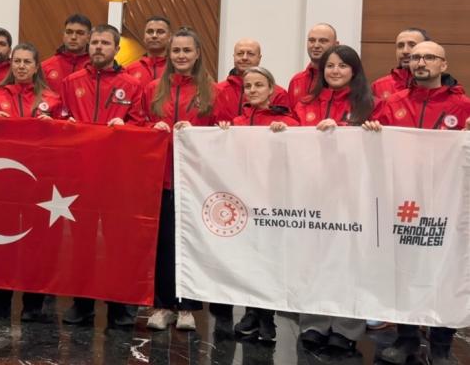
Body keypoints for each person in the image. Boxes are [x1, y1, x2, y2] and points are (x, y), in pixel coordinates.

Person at [365, 41, 470, 365]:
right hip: (404, 201)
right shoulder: (393, 102)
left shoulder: (462, 106)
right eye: (416, 58)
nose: (421, 62)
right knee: (405, 269)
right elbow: (371, 146)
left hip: (446, 203)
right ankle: (407, 338)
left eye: (429, 57)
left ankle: (441, 346)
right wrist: (372, 131)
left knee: (445, 271)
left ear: (443, 64)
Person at [59, 24, 144, 327]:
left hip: (116, 176)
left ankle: (119, 306)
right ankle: (82, 304)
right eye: (94, 42)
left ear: (116, 49)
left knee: (117, 242)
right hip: (80, 175)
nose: (98, 47)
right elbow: (61, 117)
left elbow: (140, 125)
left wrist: (125, 129)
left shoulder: (131, 85)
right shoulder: (71, 82)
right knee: (81, 242)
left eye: (105, 43)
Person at [294, 45, 375, 352]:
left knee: (349, 260)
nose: (335, 71)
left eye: (342, 65)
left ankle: (346, 328)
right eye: (330, 66)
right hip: (311, 193)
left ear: (354, 70)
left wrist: (342, 129)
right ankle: (313, 323)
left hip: (352, 195)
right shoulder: (305, 103)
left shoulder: (369, 104)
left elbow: (377, 145)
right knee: (313, 259)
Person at [0, 43, 61, 322]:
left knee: (36, 244)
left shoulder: (51, 98)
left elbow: (65, 137)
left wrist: (54, 126)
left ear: (37, 67)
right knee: (2, 241)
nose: (22, 66)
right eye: (17, 61)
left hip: (39, 181)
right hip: (3, 179)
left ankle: (33, 304)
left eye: (27, 62)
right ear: (11, 64)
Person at [216, 67, 298, 343]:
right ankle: (252, 312)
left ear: (272, 89)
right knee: (249, 258)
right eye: (248, 86)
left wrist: (285, 133)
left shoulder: (287, 120)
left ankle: (267, 318)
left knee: (269, 259)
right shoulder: (237, 122)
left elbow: (299, 153)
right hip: (244, 201)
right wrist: (222, 134)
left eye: (259, 85)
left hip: (274, 201)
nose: (252, 90)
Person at [143, 27, 215, 332]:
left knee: (191, 244)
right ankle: (162, 306)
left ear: (197, 54)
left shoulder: (212, 90)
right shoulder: (152, 89)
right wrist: (152, 128)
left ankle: (187, 308)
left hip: (195, 181)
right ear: (169, 54)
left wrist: (199, 134)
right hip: (161, 178)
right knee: (162, 244)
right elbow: (139, 124)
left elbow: (223, 129)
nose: (181, 55)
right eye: (176, 51)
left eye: (187, 50)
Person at [213, 38, 288, 121]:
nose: (244, 58)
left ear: (259, 58)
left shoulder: (278, 94)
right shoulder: (218, 91)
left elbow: (286, 123)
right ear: (234, 57)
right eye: (240, 54)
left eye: (250, 54)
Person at [288, 23, 338, 105]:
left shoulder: (342, 80)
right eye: (312, 40)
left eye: (323, 41)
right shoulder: (296, 81)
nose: (316, 45)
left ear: (336, 44)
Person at [371, 28, 429, 100]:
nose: (405, 51)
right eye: (400, 46)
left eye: (412, 45)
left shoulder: (436, 85)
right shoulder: (379, 86)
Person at [41, 13, 91, 92]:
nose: (73, 37)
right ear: (63, 35)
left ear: (89, 37)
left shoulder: (95, 68)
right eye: (69, 32)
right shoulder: (45, 68)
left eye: (80, 33)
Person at [124, 16, 171, 85]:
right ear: (144, 37)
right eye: (150, 32)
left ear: (169, 37)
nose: (154, 36)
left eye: (160, 32)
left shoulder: (176, 68)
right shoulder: (130, 70)